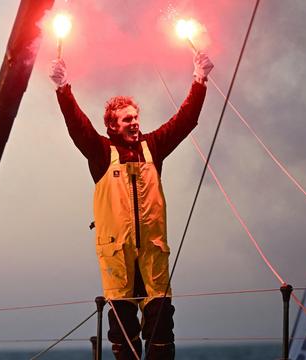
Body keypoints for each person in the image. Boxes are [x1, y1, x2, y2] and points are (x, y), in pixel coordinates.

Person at [49, 52, 213, 360]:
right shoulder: (100, 152)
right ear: (112, 125)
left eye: (136, 117)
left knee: (163, 329)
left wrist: (200, 80)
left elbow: (186, 120)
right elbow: (76, 126)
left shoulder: (154, 147)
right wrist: (63, 88)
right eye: (127, 119)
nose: (135, 123)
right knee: (123, 336)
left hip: (153, 255)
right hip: (118, 258)